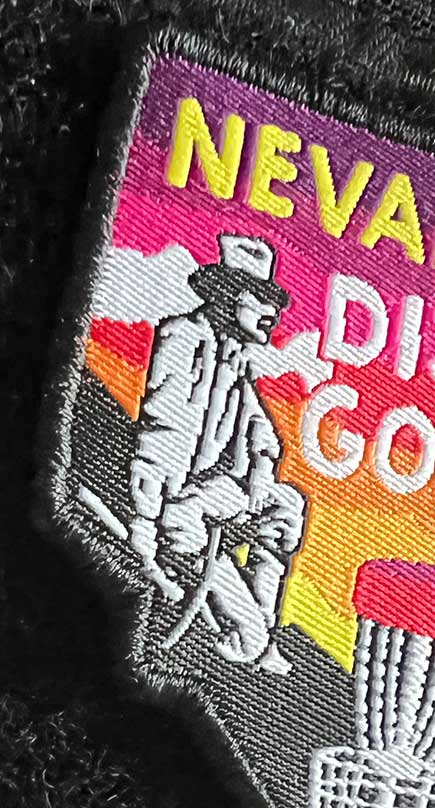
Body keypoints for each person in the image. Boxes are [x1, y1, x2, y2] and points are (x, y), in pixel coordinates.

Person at [128, 234, 306, 673]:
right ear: (228, 295)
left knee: (286, 507)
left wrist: (261, 469)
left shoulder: (234, 356)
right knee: (186, 523)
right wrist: (144, 521)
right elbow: (160, 432)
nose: (273, 312)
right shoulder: (185, 339)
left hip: (214, 492)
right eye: (260, 297)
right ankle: (250, 636)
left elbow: (260, 428)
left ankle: (258, 627)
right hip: (176, 502)